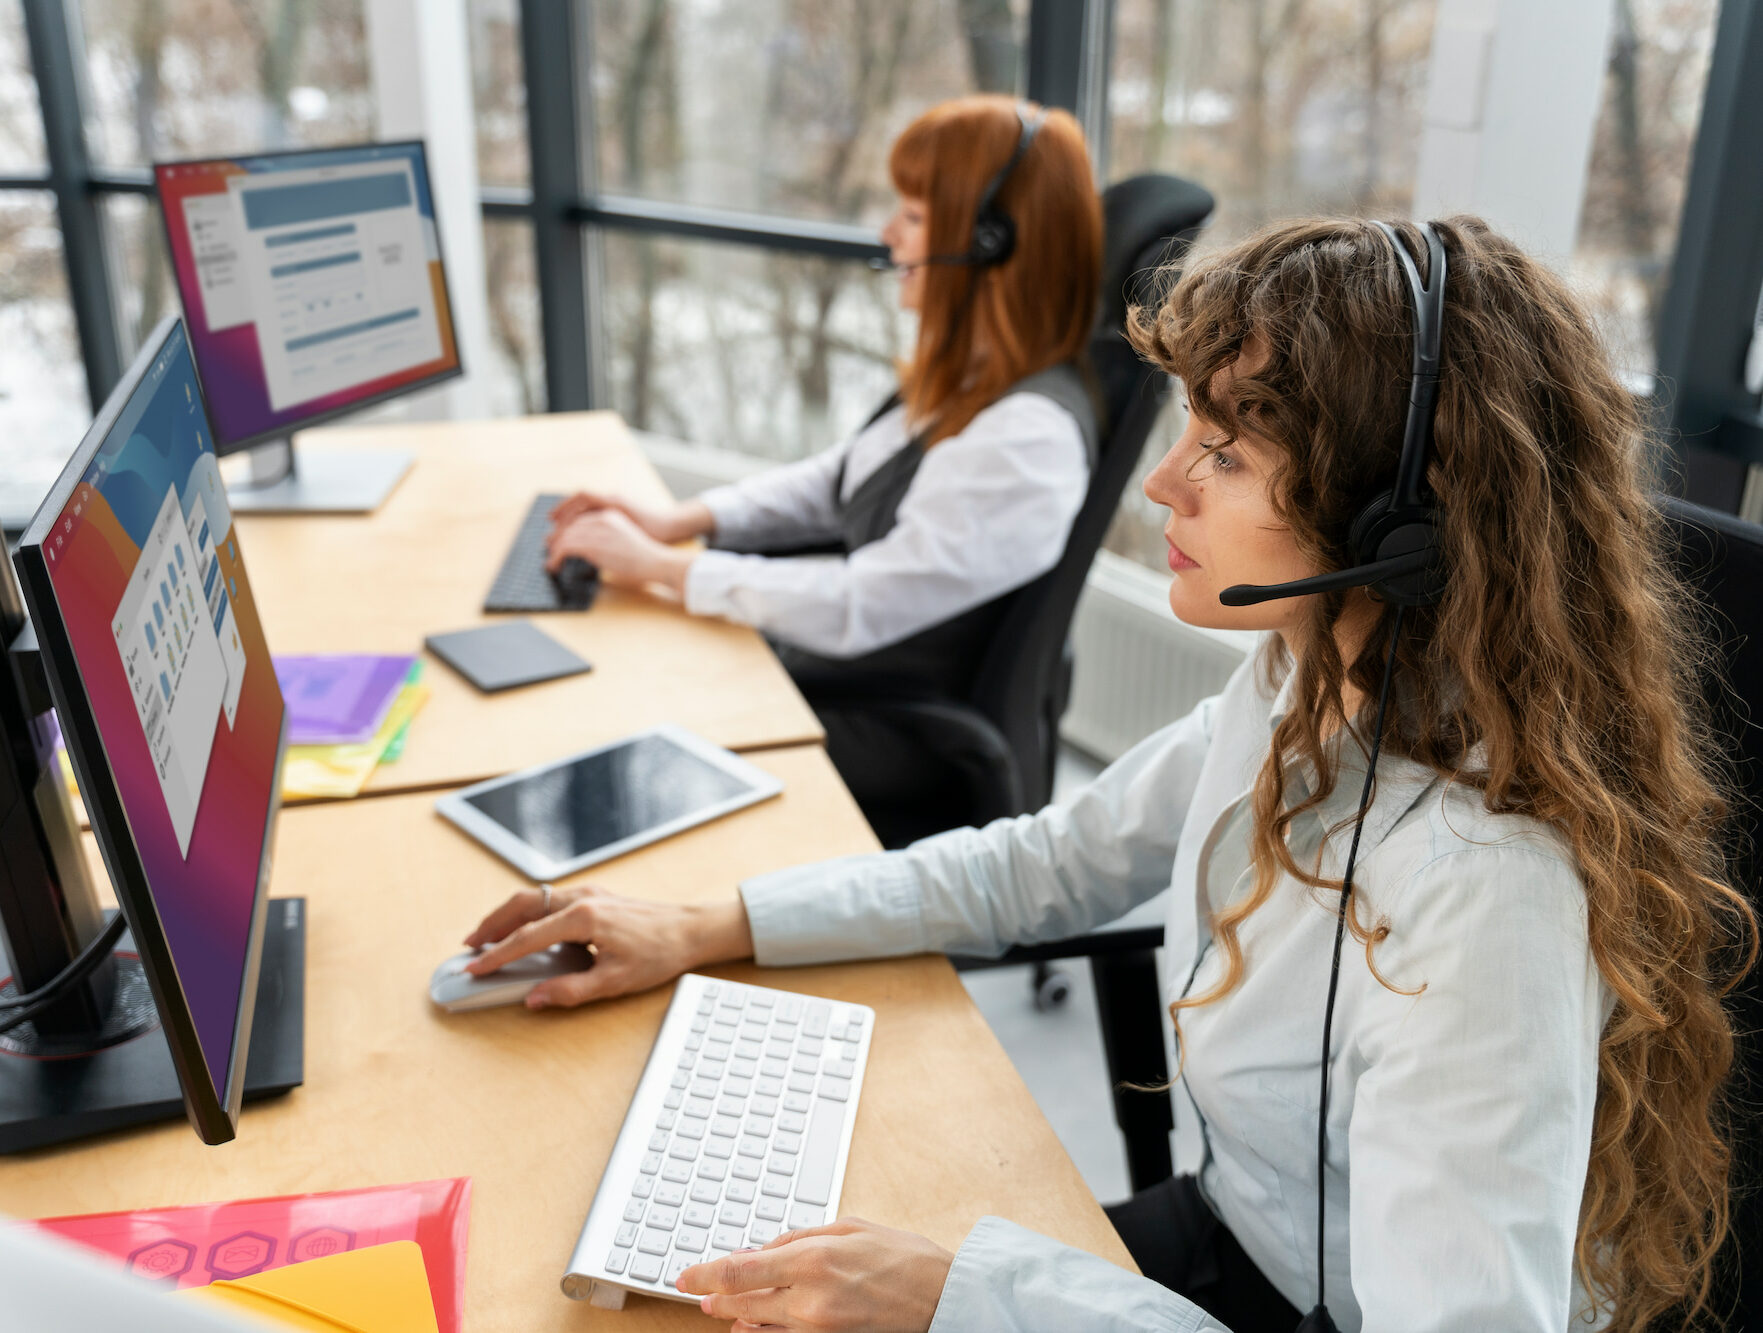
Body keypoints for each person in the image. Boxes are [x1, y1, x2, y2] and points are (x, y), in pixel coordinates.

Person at [461, 216, 1756, 1331]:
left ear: (1393, 523)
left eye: (1225, 454)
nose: (1158, 486)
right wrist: (701, 924)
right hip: (1232, 1240)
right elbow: (1050, 861)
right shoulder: (1304, 683)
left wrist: (965, 1294)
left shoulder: (1481, 889)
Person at [542, 95, 1103, 833]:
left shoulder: (1025, 437)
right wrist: (684, 519)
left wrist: (664, 566)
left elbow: (858, 603)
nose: (886, 234)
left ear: (988, 242)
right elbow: (839, 479)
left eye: (910, 214)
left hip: (890, 726)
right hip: (845, 677)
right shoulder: (976, 377)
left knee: (618, 712)